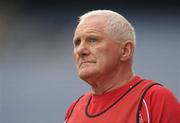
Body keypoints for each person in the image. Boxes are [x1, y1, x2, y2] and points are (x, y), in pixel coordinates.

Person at [64, 10, 180, 123]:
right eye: (77, 42)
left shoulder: (154, 100)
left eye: (93, 40)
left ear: (125, 50)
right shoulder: (74, 109)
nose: (80, 50)